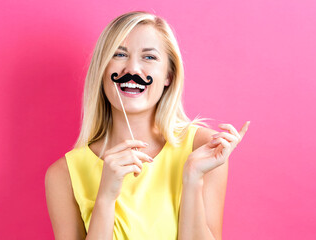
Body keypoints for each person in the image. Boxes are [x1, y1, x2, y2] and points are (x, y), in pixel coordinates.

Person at [45, 11, 250, 240]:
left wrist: (192, 179)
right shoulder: (63, 174)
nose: (132, 70)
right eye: (119, 54)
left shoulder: (205, 149)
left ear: (168, 76)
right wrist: (105, 198)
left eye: (149, 57)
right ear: (102, 70)